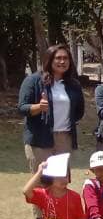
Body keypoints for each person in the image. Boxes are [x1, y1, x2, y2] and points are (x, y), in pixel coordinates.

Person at [18, 43, 85, 171]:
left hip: (64, 138)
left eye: (66, 58)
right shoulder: (33, 80)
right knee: (42, 178)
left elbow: (79, 112)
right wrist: (39, 107)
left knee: (61, 179)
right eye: (58, 58)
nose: (62, 61)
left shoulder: (74, 84)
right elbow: (22, 108)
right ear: (49, 59)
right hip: (40, 138)